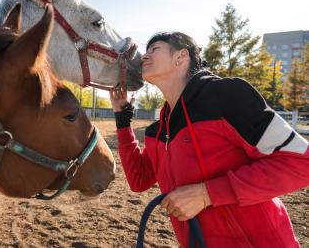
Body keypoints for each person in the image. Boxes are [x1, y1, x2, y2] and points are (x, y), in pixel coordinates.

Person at [109, 31, 309, 247]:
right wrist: (122, 119)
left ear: (181, 56)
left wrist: (206, 194)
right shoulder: (158, 131)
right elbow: (139, 180)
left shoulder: (226, 95)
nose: (144, 57)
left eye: (154, 50)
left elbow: (302, 162)